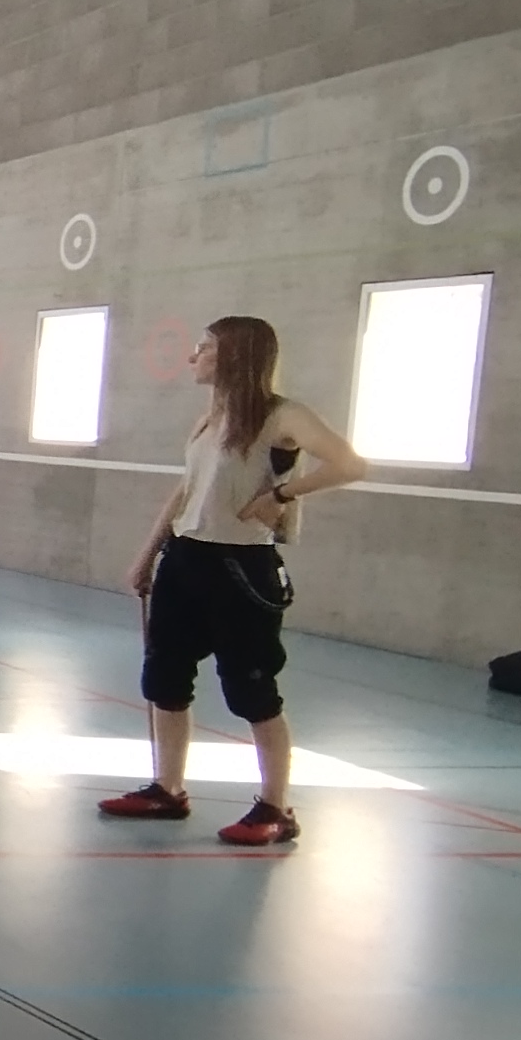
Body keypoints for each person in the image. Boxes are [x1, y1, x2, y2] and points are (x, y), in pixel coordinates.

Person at [100, 317, 366, 846]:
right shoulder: (208, 420)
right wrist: (148, 555)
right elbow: (186, 492)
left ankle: (276, 807)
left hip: (242, 568)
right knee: (165, 679)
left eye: (204, 348)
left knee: (251, 688)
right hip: (185, 558)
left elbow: (349, 464)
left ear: (236, 355)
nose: (193, 357)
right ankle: (167, 789)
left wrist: (281, 496)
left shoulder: (282, 415)